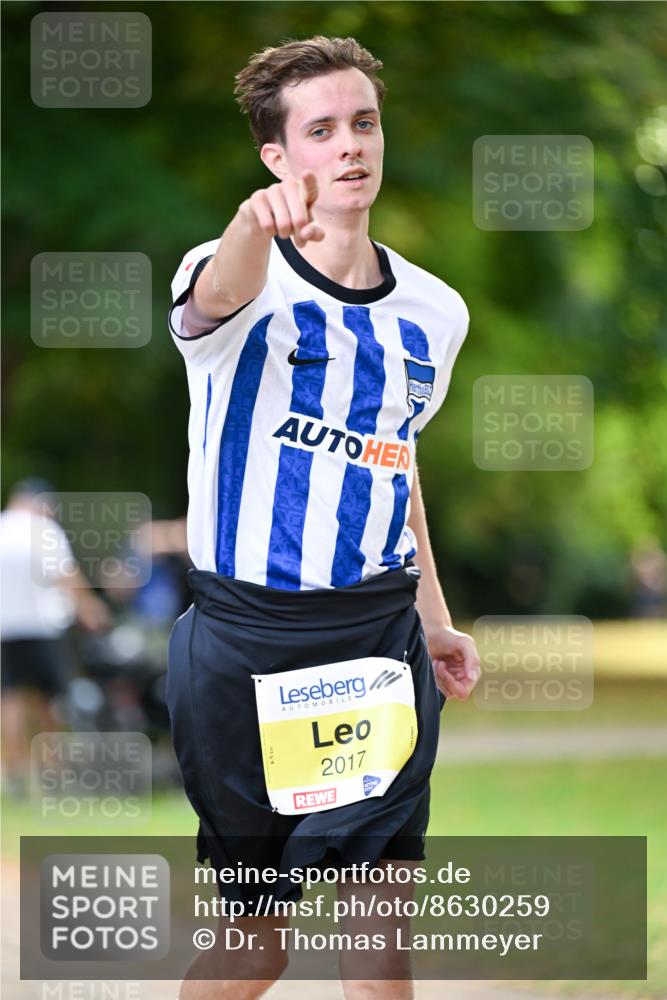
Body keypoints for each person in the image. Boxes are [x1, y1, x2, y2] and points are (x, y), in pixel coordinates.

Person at [167, 35, 481, 999]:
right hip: (242, 642)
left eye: (363, 123)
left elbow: (400, 465)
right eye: (321, 130)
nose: (350, 146)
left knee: (378, 944)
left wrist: (430, 617)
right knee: (255, 945)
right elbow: (214, 295)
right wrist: (250, 228)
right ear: (278, 158)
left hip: (372, 642)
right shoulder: (230, 275)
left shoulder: (434, 312)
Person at [0, 479, 110, 792]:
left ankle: (14, 771)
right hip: (42, 627)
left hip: (5, 628)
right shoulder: (44, 530)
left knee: (9, 699)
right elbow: (66, 575)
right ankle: (53, 770)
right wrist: (91, 611)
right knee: (52, 701)